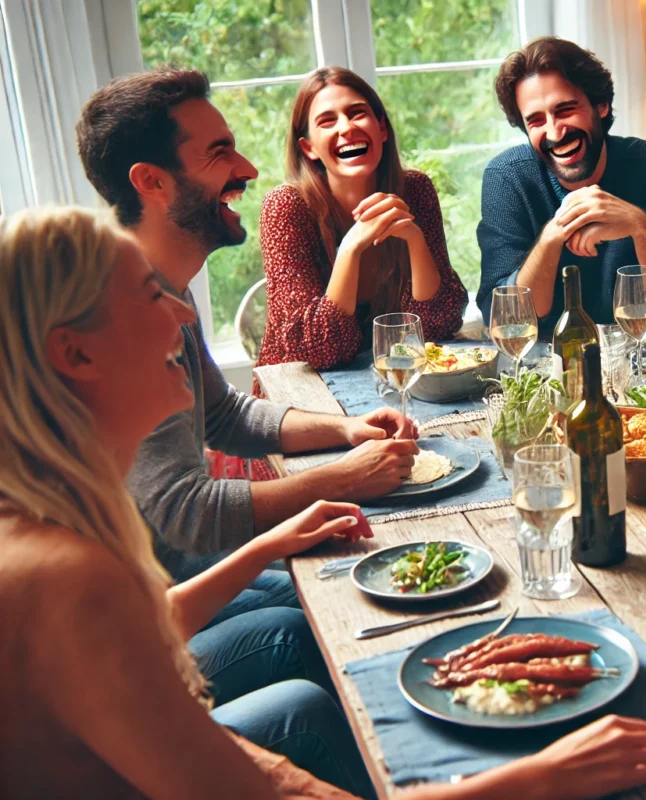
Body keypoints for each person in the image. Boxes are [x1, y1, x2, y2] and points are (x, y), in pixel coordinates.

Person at [0, 205, 646, 799]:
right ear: (76, 354)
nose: (184, 316)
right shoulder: (70, 578)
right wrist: (535, 779)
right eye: (152, 297)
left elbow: (221, 758)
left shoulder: (51, 522)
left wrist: (273, 542)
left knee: (310, 692)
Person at [76, 68, 423, 590]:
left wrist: (345, 430)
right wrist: (345, 477)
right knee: (329, 614)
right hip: (144, 608)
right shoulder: (120, 311)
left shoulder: (161, 281)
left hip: (186, 567)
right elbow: (187, 512)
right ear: (152, 182)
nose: (249, 169)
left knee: (345, 584)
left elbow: (222, 413)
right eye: (219, 153)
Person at [478, 36, 646, 330]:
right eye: (535, 121)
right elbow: (504, 320)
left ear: (600, 105)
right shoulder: (507, 177)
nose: (554, 131)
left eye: (564, 110)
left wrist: (640, 226)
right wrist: (553, 235)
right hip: (548, 369)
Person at [257, 67, 467, 370]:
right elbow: (316, 352)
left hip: (393, 381)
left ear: (381, 129)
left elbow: (438, 325)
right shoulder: (285, 206)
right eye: (328, 121)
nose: (346, 128)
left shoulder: (415, 190)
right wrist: (350, 248)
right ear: (309, 148)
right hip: (303, 398)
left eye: (357, 113)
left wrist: (415, 239)